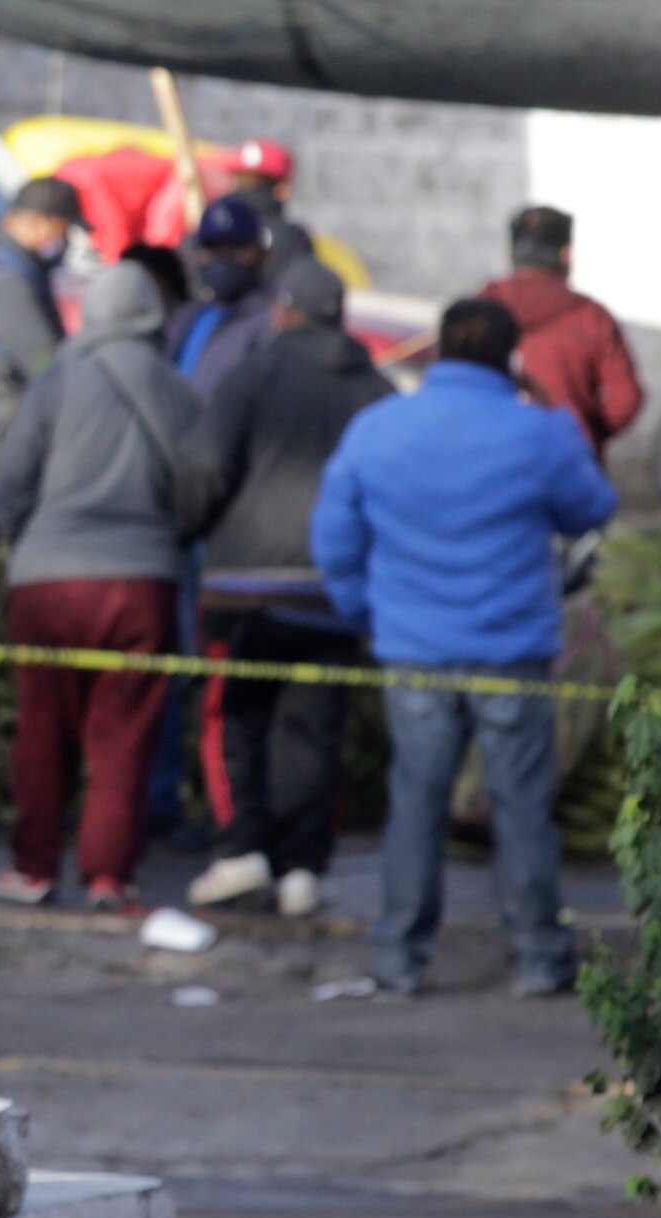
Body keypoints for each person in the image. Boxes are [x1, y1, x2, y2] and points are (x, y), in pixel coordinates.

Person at [315, 299, 618, 998]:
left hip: (414, 650)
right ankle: (541, 955)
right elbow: (591, 508)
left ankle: (398, 955)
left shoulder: (379, 429)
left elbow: (335, 535)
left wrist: (365, 610)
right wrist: (552, 413)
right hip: (511, 650)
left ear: (438, 351)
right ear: (511, 357)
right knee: (521, 806)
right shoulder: (536, 434)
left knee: (416, 800)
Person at [175, 256, 390, 918]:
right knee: (314, 730)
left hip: (244, 586)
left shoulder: (253, 375)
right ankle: (302, 868)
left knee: (232, 719)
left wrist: (191, 528)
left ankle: (241, 852)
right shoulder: (375, 390)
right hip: (334, 592)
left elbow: (205, 465)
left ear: (284, 311)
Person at [0, 260, 203, 913]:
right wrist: (168, 540)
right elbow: (196, 489)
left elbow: (11, 478)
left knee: (42, 728)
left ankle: (33, 868)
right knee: (125, 734)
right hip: (141, 581)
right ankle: (109, 874)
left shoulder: (57, 382)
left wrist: (23, 543)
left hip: (47, 581)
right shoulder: (177, 389)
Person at [479, 207, 645, 461]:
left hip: (493, 463)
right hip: (570, 463)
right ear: (566, 254)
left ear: (511, 253)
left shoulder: (479, 310)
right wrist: (589, 431)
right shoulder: (591, 316)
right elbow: (626, 398)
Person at [0, 177, 83, 447]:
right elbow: (48, 365)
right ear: (36, 222)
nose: (66, 241)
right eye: (62, 230)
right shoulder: (8, 285)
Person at [170, 199, 278, 398]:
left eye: (236, 248)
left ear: (262, 254)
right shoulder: (186, 316)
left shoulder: (273, 322)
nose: (223, 259)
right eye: (213, 249)